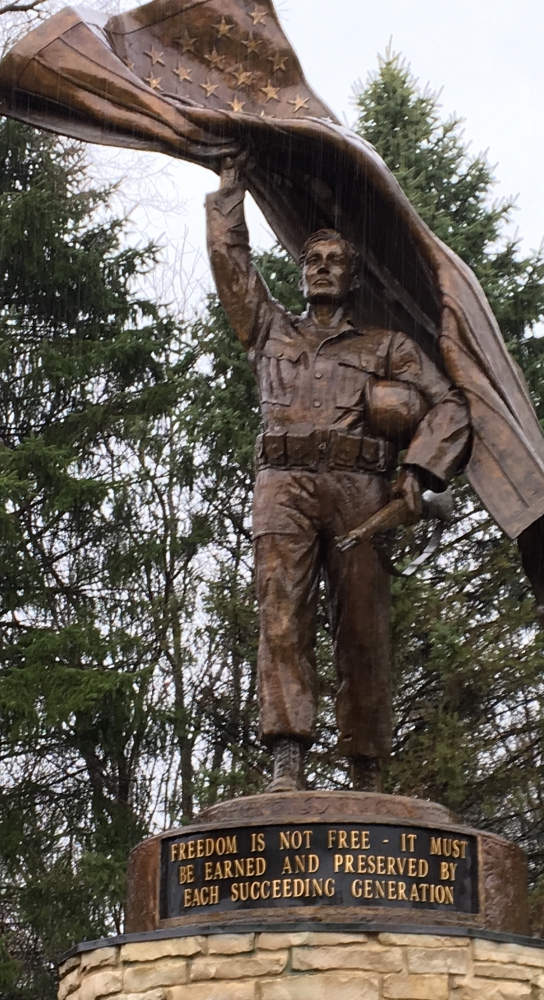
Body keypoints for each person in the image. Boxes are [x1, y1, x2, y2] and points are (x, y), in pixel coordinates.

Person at [206, 156, 471, 793]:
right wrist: (228, 193)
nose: (321, 268)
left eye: (334, 262)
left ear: (353, 279)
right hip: (283, 486)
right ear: (301, 275)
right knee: (281, 619)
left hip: (361, 491)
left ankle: (366, 769)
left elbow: (452, 408)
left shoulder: (387, 347)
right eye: (312, 260)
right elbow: (232, 266)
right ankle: (288, 760)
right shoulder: (267, 327)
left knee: (362, 627)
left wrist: (420, 470)